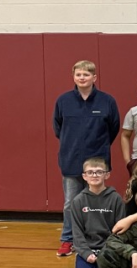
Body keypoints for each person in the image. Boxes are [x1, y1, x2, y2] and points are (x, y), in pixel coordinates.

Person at [52, 59, 121, 257]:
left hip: (97, 160)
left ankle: (97, 239)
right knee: (70, 202)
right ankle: (67, 239)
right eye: (78, 74)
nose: (82, 78)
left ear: (94, 77)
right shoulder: (63, 101)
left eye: (86, 74)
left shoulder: (107, 101)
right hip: (71, 159)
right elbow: (58, 128)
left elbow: (113, 128)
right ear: (74, 77)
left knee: (97, 202)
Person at [69, 157, 127, 268]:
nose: (94, 175)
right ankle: (84, 264)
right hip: (88, 249)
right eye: (90, 172)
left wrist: (108, 251)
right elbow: (77, 232)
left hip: (108, 249)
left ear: (107, 175)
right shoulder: (78, 201)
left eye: (99, 172)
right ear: (84, 176)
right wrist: (86, 253)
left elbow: (120, 230)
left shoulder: (115, 198)